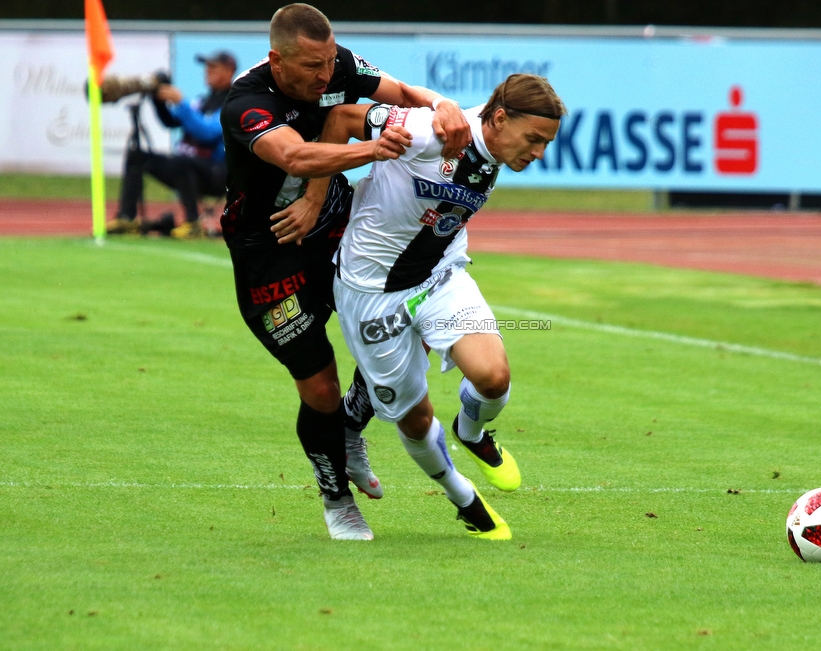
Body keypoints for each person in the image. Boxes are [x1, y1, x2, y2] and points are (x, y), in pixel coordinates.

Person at [219, 3, 472, 540]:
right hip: (269, 251)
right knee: (319, 388)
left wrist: (443, 104)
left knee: (407, 318)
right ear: (278, 61)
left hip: (334, 229)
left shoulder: (339, 67)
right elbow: (293, 156)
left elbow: (402, 94)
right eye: (312, 67)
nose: (326, 76)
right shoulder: (246, 102)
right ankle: (337, 501)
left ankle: (353, 429)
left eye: (331, 62)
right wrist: (373, 151)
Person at [328, 74, 566, 539]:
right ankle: (465, 499)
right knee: (416, 420)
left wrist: (443, 100)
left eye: (545, 143)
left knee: (494, 379)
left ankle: (472, 433)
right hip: (372, 290)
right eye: (534, 139)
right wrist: (316, 199)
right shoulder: (427, 132)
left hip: (440, 275)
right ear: (499, 118)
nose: (538, 153)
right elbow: (341, 116)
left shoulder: (485, 130)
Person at [107, 50, 236, 239]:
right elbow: (171, 122)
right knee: (136, 156)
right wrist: (158, 101)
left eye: (213, 67)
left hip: (219, 173)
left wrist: (180, 102)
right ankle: (127, 217)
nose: (207, 71)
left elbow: (207, 133)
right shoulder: (203, 101)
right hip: (188, 167)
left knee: (182, 161)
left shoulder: (233, 102)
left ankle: (193, 223)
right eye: (206, 67)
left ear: (229, 71)